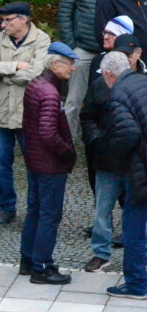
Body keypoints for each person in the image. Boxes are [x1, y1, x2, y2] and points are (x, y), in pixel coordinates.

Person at [0, 1, 51, 228]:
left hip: (27, 112)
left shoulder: (41, 40)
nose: (3, 25)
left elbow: (36, 71)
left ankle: (35, 207)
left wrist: (6, 72)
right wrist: (15, 66)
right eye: (2, 20)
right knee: (0, 163)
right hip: (1, 112)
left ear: (24, 19)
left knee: (34, 163)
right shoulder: (0, 39)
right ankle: (6, 207)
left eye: (8, 20)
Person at [19, 43, 79, 285]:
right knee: (49, 215)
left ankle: (28, 260)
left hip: (34, 160)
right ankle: (42, 267)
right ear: (55, 64)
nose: (73, 69)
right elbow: (47, 133)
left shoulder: (35, 85)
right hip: (49, 165)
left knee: (34, 210)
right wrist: (67, 153)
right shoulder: (50, 93)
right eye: (69, 64)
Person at [59, 0, 117, 139]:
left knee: (112, 98)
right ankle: (67, 145)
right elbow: (65, 14)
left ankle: (108, 142)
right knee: (73, 102)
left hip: (111, 52)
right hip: (83, 50)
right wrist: (71, 47)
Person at [82, 51, 132, 273]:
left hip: (133, 161)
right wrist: (95, 140)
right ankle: (101, 253)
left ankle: (138, 251)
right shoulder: (98, 86)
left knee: (135, 209)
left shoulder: (136, 87)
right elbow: (87, 117)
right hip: (106, 158)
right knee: (103, 208)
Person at [105, 53, 147, 297]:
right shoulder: (142, 81)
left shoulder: (119, 94)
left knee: (133, 228)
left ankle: (137, 284)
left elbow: (127, 134)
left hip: (140, 171)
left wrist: (114, 157)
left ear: (110, 74)